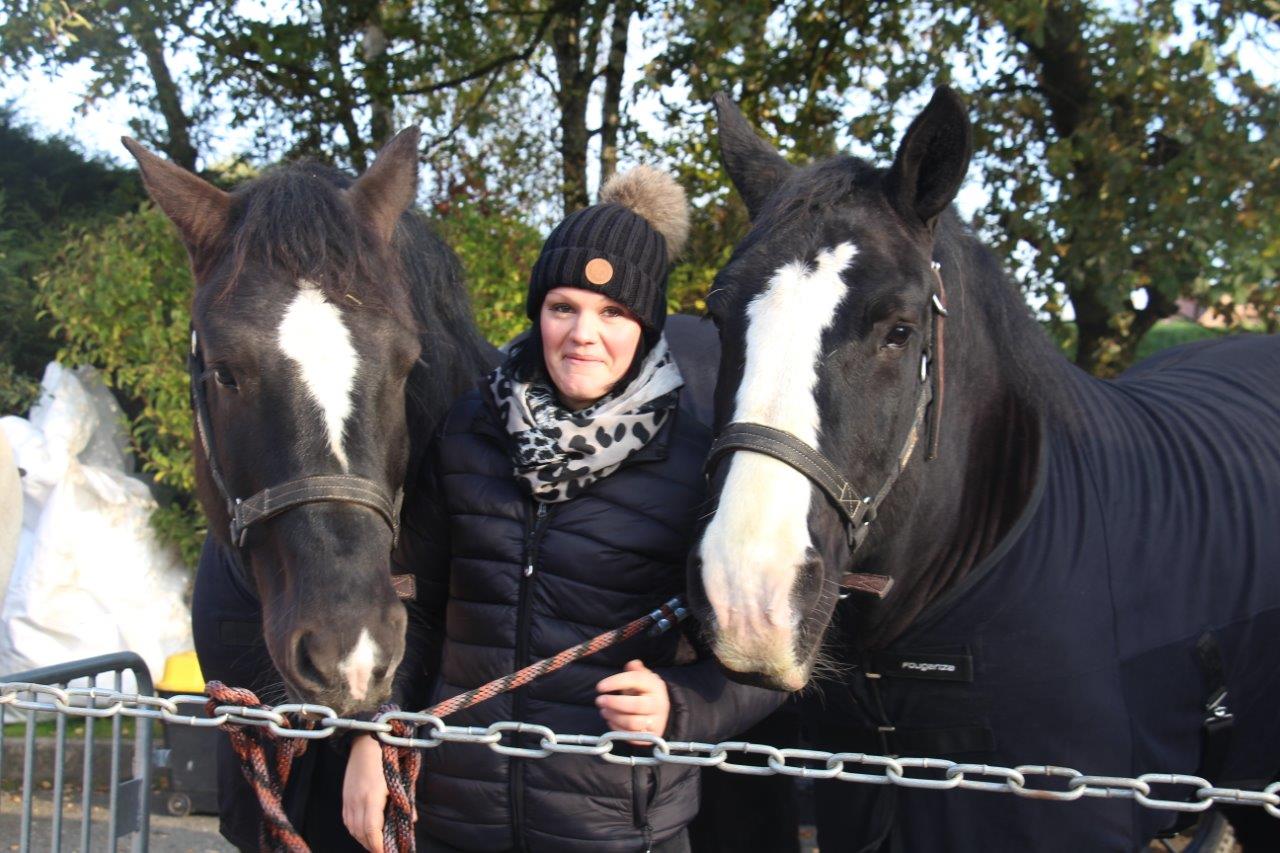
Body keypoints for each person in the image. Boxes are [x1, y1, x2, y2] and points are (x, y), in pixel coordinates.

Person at [342, 166, 783, 852]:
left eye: (614, 313)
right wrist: (377, 731)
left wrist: (683, 704)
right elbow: (415, 603)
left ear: (646, 325)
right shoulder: (468, 431)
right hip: (455, 821)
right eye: (563, 307)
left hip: (617, 831)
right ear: (536, 312)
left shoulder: (700, 467)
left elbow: (763, 652)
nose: (584, 333)